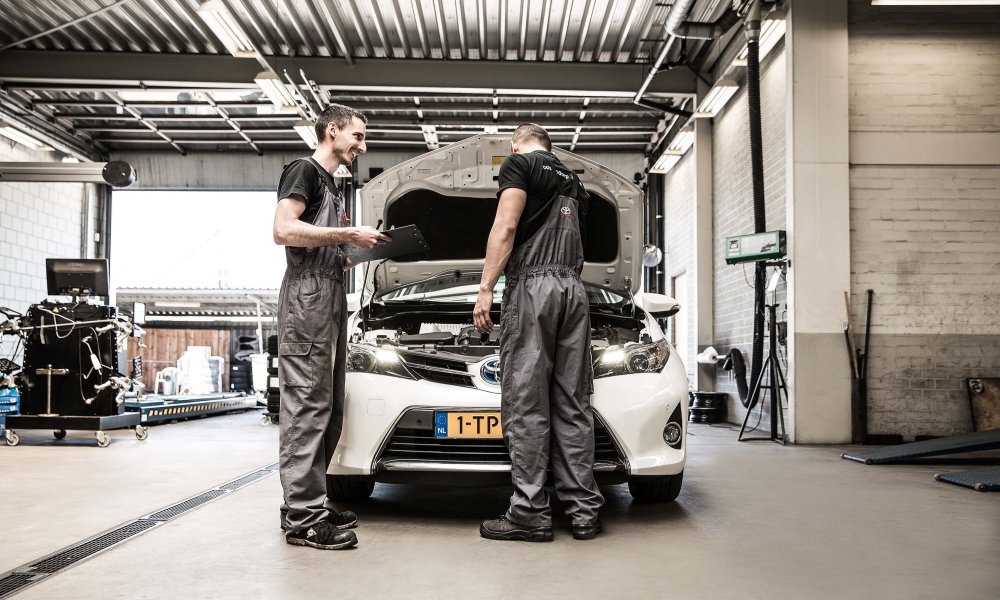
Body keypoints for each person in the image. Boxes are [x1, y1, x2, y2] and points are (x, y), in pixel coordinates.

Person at [473, 123, 604, 542]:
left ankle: (529, 512)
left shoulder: (518, 164)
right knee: (572, 402)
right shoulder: (574, 183)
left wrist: (486, 288)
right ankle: (584, 513)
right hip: (572, 290)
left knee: (527, 402)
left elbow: (506, 228)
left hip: (533, 288)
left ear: (516, 143)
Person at [272, 104, 390, 550]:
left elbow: (324, 246)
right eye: (357, 136)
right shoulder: (303, 170)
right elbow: (284, 230)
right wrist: (346, 235)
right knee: (306, 407)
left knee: (328, 407)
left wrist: (362, 247)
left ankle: (309, 502)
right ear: (333, 130)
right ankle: (304, 520)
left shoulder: (331, 186)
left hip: (329, 293)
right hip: (307, 297)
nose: (361, 145)